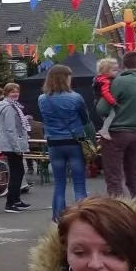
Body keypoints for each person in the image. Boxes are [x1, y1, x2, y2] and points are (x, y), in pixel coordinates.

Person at [37, 65, 94, 221]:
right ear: (65, 78)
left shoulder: (42, 99)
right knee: (79, 184)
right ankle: (82, 219)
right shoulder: (76, 98)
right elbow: (85, 119)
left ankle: (57, 219)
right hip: (74, 142)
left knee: (59, 184)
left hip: (54, 143)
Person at [97, 52, 136, 199]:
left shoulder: (119, 82)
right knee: (134, 178)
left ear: (123, 65)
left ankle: (120, 215)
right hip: (135, 133)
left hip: (115, 133)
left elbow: (102, 108)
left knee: (114, 179)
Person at [0, 82, 31, 213]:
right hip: (12, 145)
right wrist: (17, 146)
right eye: (12, 92)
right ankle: (10, 202)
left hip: (12, 144)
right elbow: (10, 129)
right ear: (7, 93)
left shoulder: (13, 106)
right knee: (17, 173)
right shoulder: (9, 108)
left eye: (17, 91)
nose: (15, 93)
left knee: (19, 172)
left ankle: (16, 199)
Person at [93, 58, 120, 136]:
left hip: (98, 102)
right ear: (105, 71)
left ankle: (107, 128)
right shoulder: (105, 81)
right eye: (114, 70)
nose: (117, 72)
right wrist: (114, 102)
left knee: (107, 118)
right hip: (104, 103)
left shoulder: (99, 79)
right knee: (113, 114)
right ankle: (104, 130)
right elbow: (105, 93)